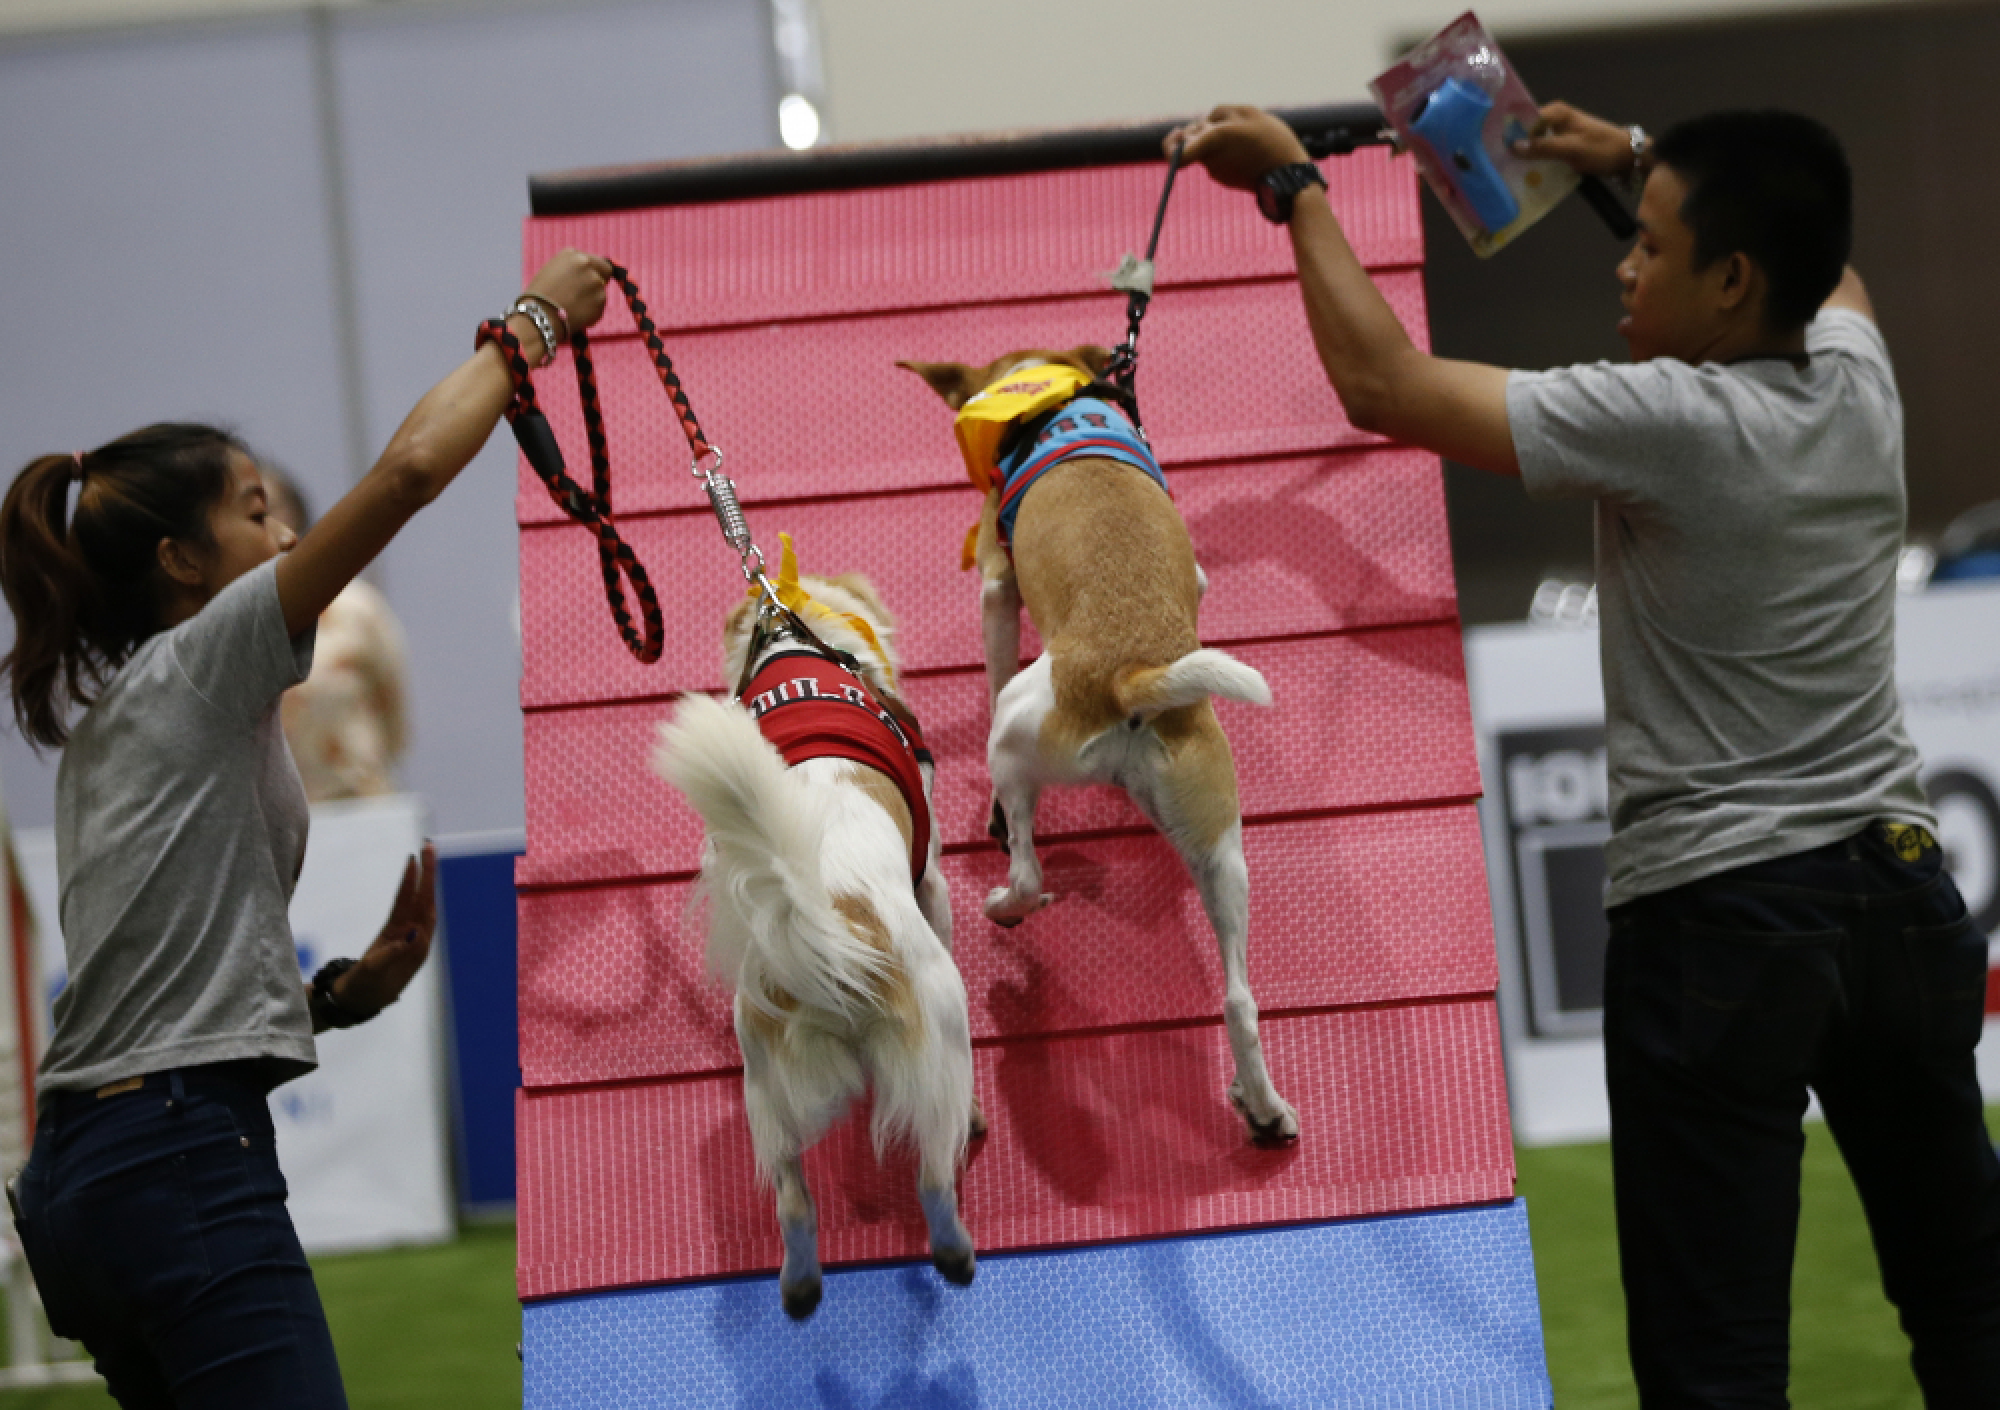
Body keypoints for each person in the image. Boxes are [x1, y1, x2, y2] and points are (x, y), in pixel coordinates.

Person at [1171, 102, 2000, 1406]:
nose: (1622, 261)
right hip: (1903, 906)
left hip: (1724, 925)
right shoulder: (1859, 377)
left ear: (1730, 282)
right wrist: (1632, 162)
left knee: (1712, 1364)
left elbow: (1384, 385)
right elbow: (1830, 263)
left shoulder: (1666, 417)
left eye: (1652, 244)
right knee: (1971, 1310)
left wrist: (1292, 187)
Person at [0, 248, 610, 1407]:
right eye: (255, 513)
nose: (284, 539)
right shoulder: (208, 656)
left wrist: (329, 1001)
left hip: (86, 1175)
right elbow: (411, 473)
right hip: (174, 1162)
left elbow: (154, 991)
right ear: (183, 563)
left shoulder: (119, 723)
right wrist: (529, 331)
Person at [259, 460, 412, 802]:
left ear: (296, 514)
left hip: (358, 802)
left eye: (275, 506)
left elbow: (395, 711)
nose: (267, 523)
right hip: (267, 825)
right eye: (254, 514)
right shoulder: (219, 626)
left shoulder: (355, 607)